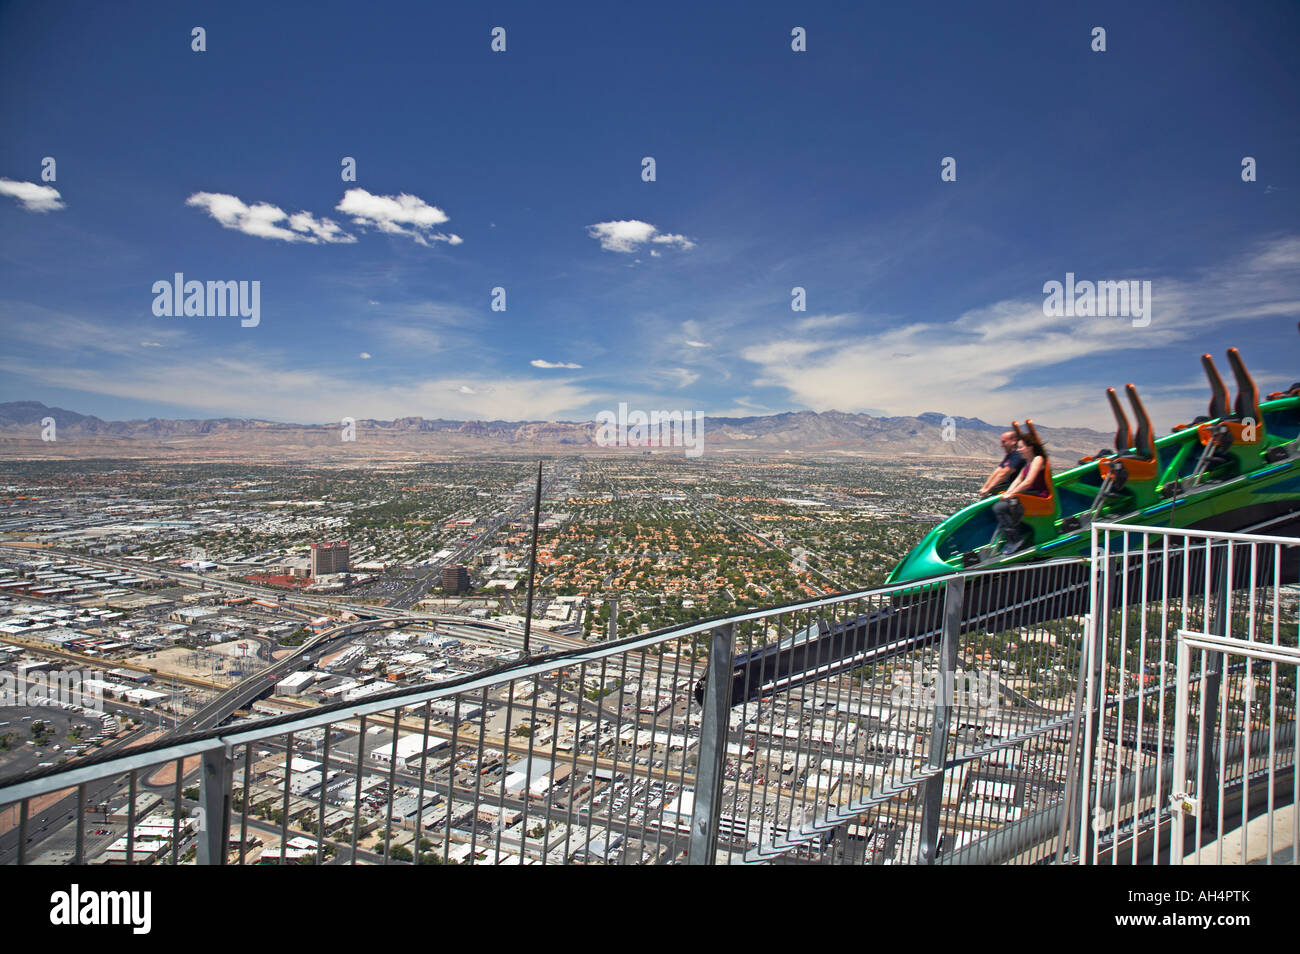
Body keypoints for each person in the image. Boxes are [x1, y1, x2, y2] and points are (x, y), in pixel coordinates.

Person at [992, 436, 1049, 553]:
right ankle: (1013, 537)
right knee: (1001, 504)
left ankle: (1014, 540)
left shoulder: (1038, 459)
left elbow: (1028, 481)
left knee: (1000, 507)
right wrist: (1008, 493)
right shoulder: (1028, 462)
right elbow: (1018, 480)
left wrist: (1012, 494)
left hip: (1038, 496)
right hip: (1029, 495)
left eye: (1021, 447)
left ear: (1030, 447)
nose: (1018, 450)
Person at [978, 432, 1026, 498]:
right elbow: (998, 471)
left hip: (1012, 490)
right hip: (1004, 488)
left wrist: (988, 489)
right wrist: (985, 487)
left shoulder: (1017, 455)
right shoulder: (1010, 455)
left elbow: (1004, 473)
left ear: (1014, 441)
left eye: (1004, 442)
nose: (1002, 445)